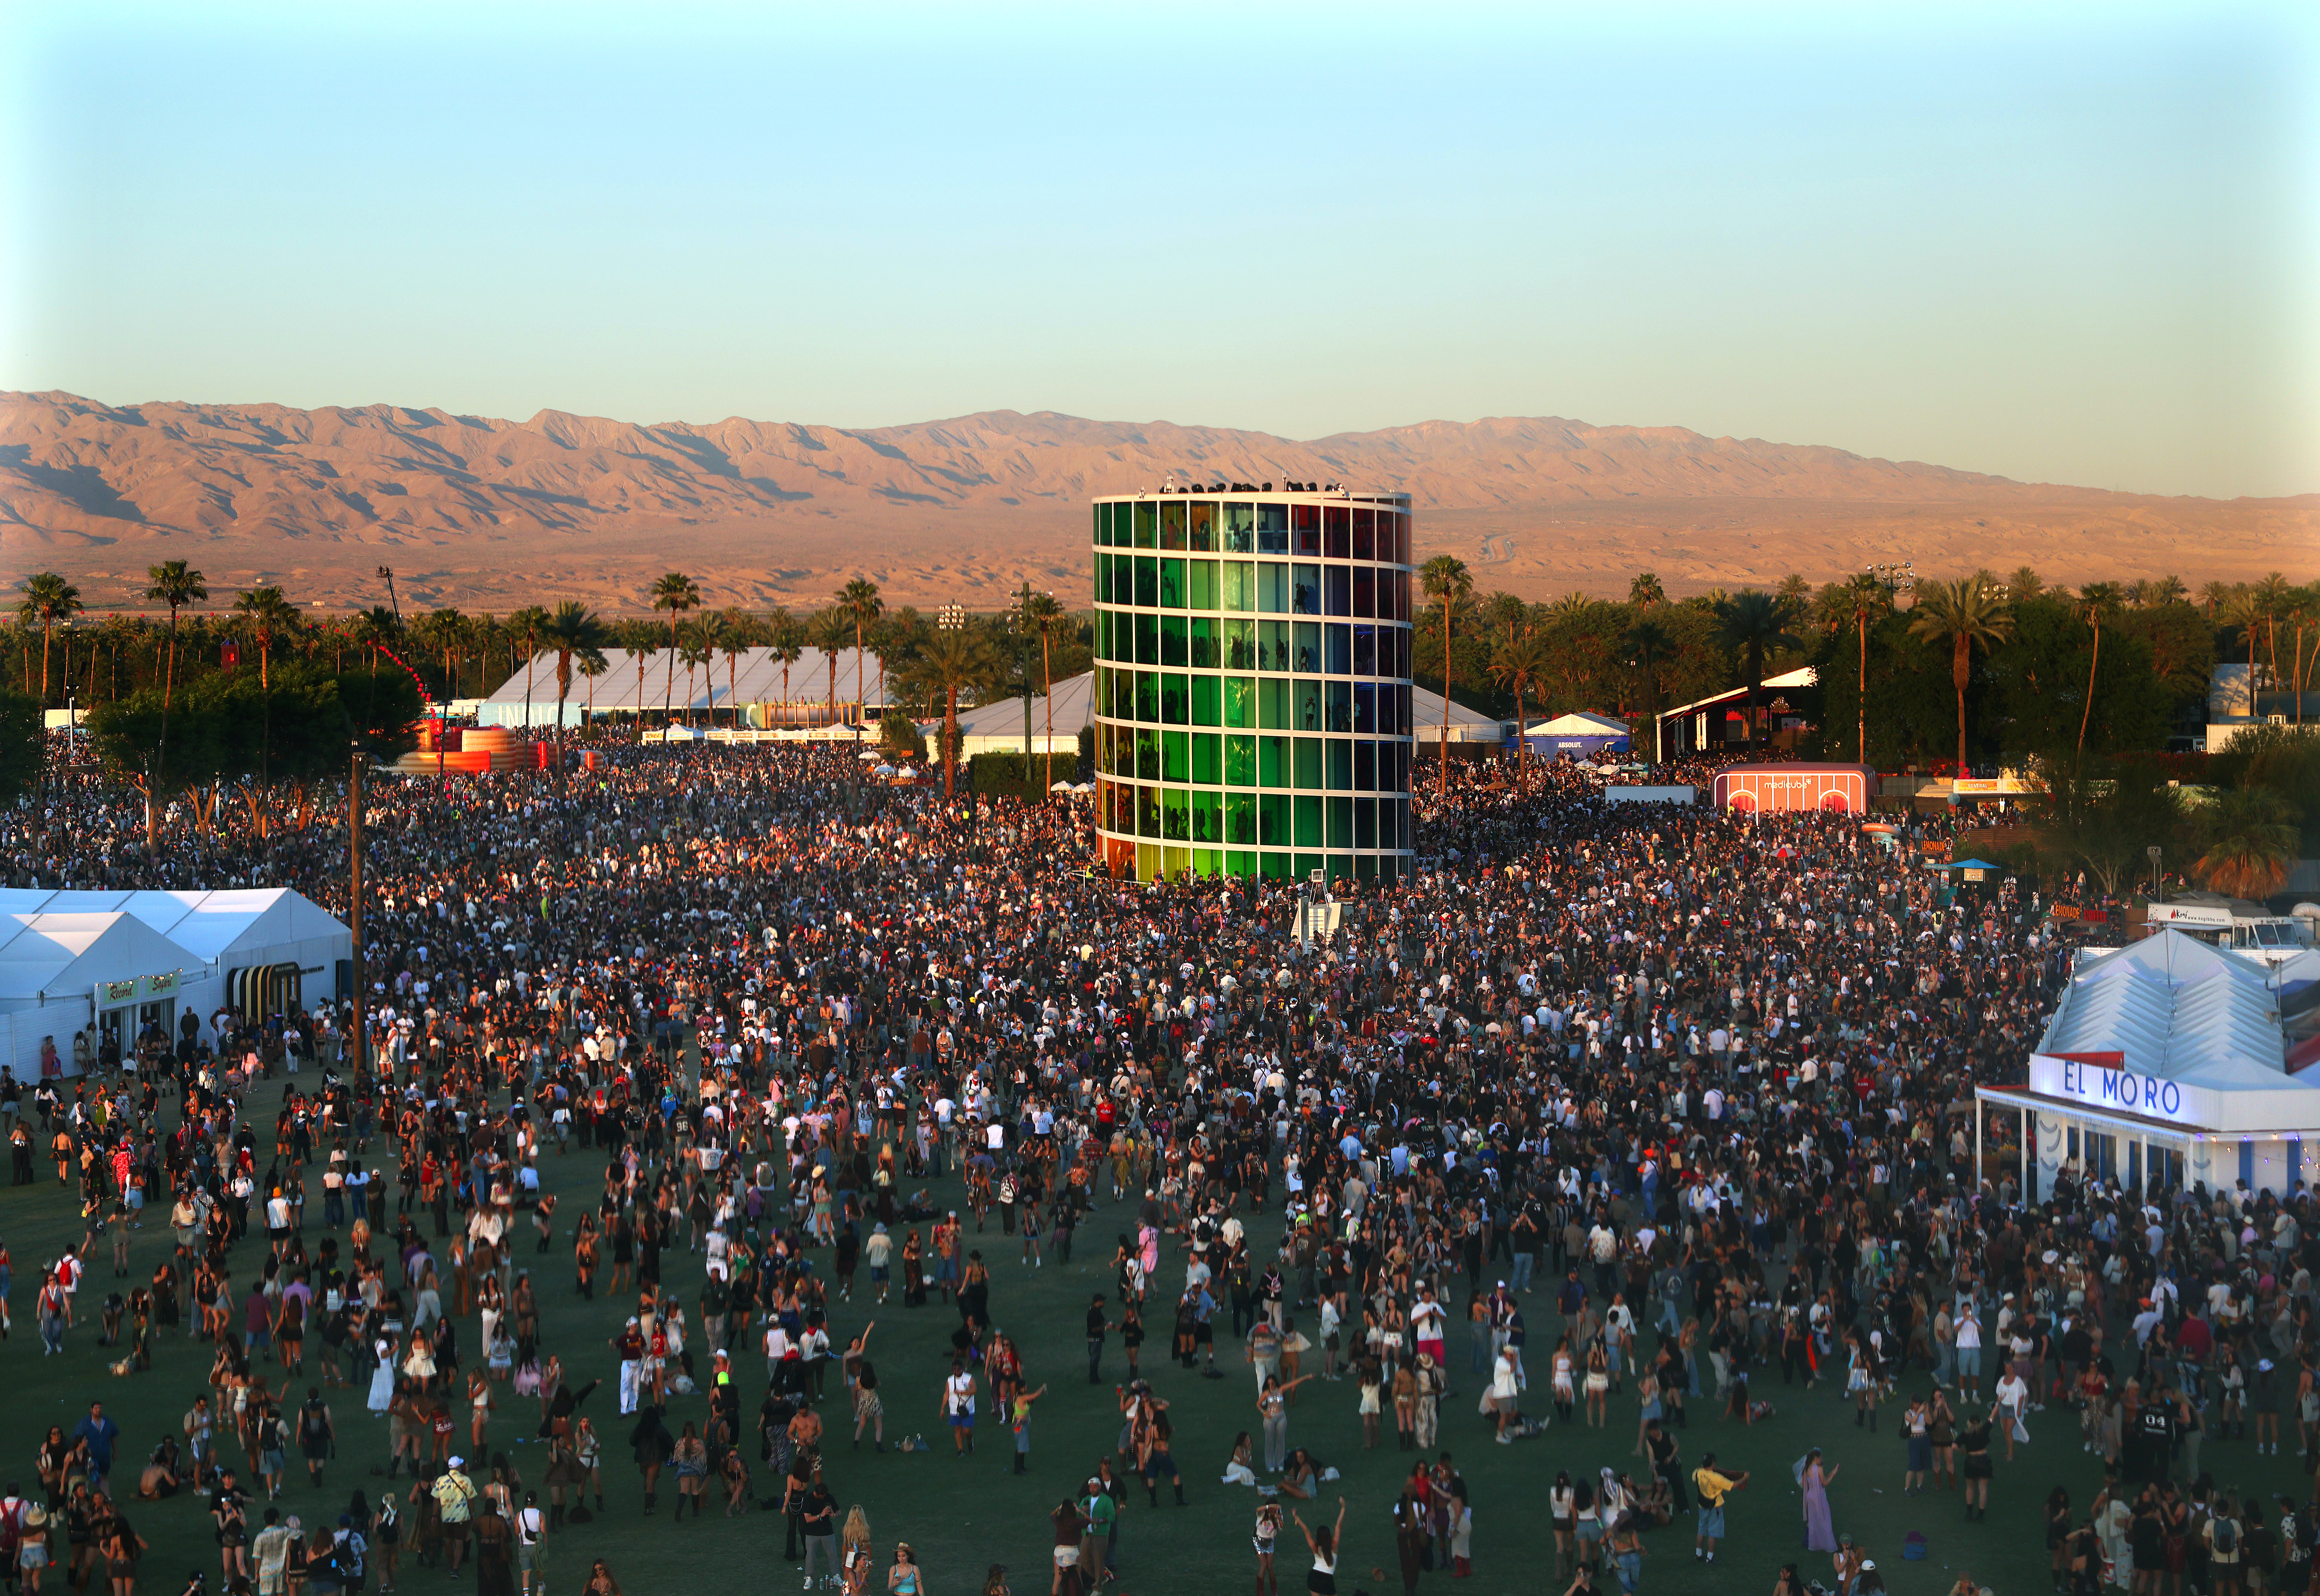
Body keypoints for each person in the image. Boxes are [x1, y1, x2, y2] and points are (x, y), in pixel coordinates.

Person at [1690, 1453, 1746, 1567]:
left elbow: (1699, 1473)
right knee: (1713, 1533)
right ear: (1714, 1463)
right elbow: (1733, 1486)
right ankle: (1710, 1558)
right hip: (1715, 1508)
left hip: (1702, 1506)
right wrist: (1745, 1477)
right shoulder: (1717, 1478)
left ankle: (1698, 1555)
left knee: (1701, 1530)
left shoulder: (1697, 1473)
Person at [1289, 1498, 1344, 1596]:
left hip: (1314, 1577)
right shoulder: (1334, 1545)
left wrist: (1296, 1517)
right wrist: (1343, 1508)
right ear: (1329, 1536)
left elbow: (1306, 1531)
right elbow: (1338, 1526)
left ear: (1318, 1537)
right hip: (1327, 1579)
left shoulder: (1315, 1547)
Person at [1800, 1449, 1839, 1555]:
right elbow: (1825, 1482)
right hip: (1820, 1497)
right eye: (1821, 1458)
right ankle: (1828, 1545)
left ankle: (1814, 1544)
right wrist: (1833, 1474)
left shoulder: (1807, 1468)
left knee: (1813, 1520)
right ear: (1816, 1459)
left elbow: (1804, 1484)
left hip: (1811, 1497)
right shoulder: (1819, 1469)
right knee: (1825, 1519)